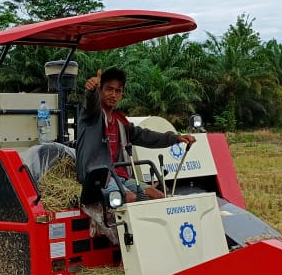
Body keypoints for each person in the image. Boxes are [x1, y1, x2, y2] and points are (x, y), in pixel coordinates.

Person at [75, 67, 195, 203]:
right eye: (109, 89)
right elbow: (91, 103)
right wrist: (91, 91)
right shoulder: (91, 116)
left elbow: (145, 136)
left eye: (118, 91)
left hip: (122, 177)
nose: (113, 95)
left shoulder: (120, 121)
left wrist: (175, 138)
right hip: (99, 178)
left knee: (158, 196)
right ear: (100, 90)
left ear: (122, 94)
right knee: (130, 197)